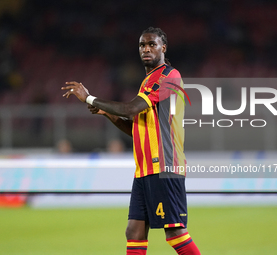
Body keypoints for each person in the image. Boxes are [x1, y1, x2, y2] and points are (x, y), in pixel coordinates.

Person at [62, 27, 201, 255]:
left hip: (164, 166)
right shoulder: (148, 80)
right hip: (145, 169)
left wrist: (89, 97)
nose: (146, 49)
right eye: (142, 45)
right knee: (134, 231)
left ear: (163, 48)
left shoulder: (167, 76)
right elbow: (137, 129)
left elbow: (131, 108)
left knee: (174, 232)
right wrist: (108, 114)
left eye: (152, 44)